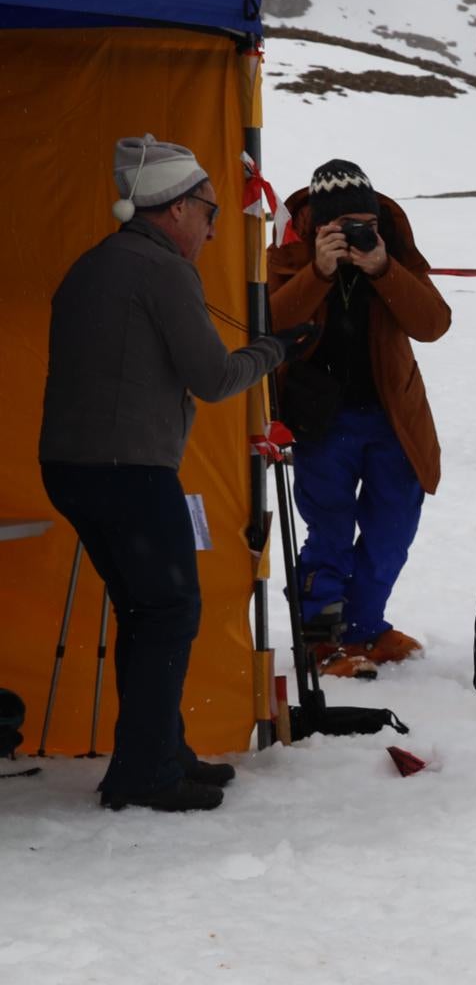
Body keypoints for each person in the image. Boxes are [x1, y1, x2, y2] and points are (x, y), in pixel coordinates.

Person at [38, 136, 298, 813]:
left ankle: (156, 753)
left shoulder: (96, 263)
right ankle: (147, 772)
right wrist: (275, 350)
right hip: (127, 469)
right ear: (178, 207)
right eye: (210, 210)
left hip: (75, 465)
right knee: (168, 610)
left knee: (146, 611)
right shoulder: (161, 271)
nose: (213, 226)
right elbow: (213, 379)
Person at [266, 160, 452, 679]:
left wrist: (383, 269)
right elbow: (266, 325)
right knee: (328, 530)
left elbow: (433, 325)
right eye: (337, 226)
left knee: (392, 528)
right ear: (316, 225)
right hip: (319, 420)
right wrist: (316, 272)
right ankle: (323, 642)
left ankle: (365, 629)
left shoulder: (389, 251)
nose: (351, 235)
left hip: (392, 417)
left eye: (360, 225)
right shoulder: (289, 252)